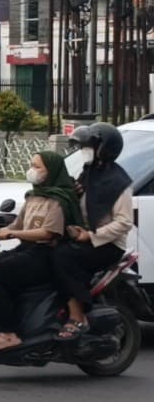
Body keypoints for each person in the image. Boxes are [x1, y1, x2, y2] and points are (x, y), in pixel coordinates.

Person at [0, 151, 80, 351]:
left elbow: (48, 233)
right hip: (26, 250)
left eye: (37, 167)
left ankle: (7, 333)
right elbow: (18, 224)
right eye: (32, 165)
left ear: (50, 171)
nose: (32, 171)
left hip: (45, 255)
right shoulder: (34, 195)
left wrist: (14, 234)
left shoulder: (58, 200)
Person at [52, 123, 133, 341]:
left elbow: (124, 223)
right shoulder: (88, 173)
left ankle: (78, 317)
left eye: (88, 146)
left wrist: (90, 235)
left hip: (107, 245)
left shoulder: (118, 182)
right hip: (82, 235)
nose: (84, 150)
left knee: (62, 256)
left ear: (103, 148)